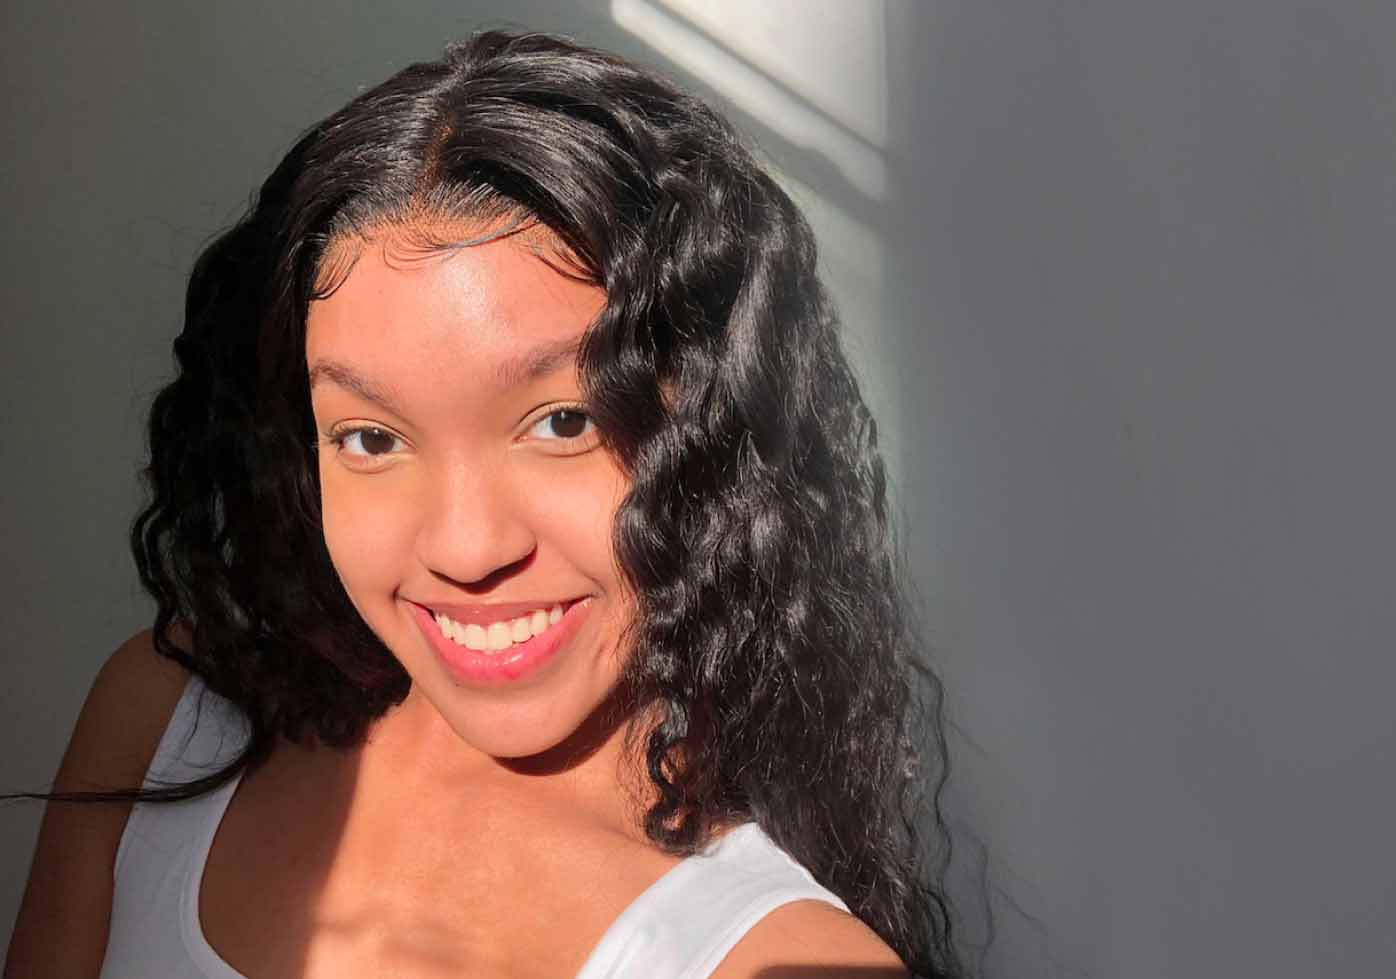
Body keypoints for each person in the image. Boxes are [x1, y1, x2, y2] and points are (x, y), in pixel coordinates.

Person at [5, 30, 961, 978]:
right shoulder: (168, 719)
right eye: (371, 438)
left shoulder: (785, 960)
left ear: (714, 435)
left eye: (563, 423)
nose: (466, 548)